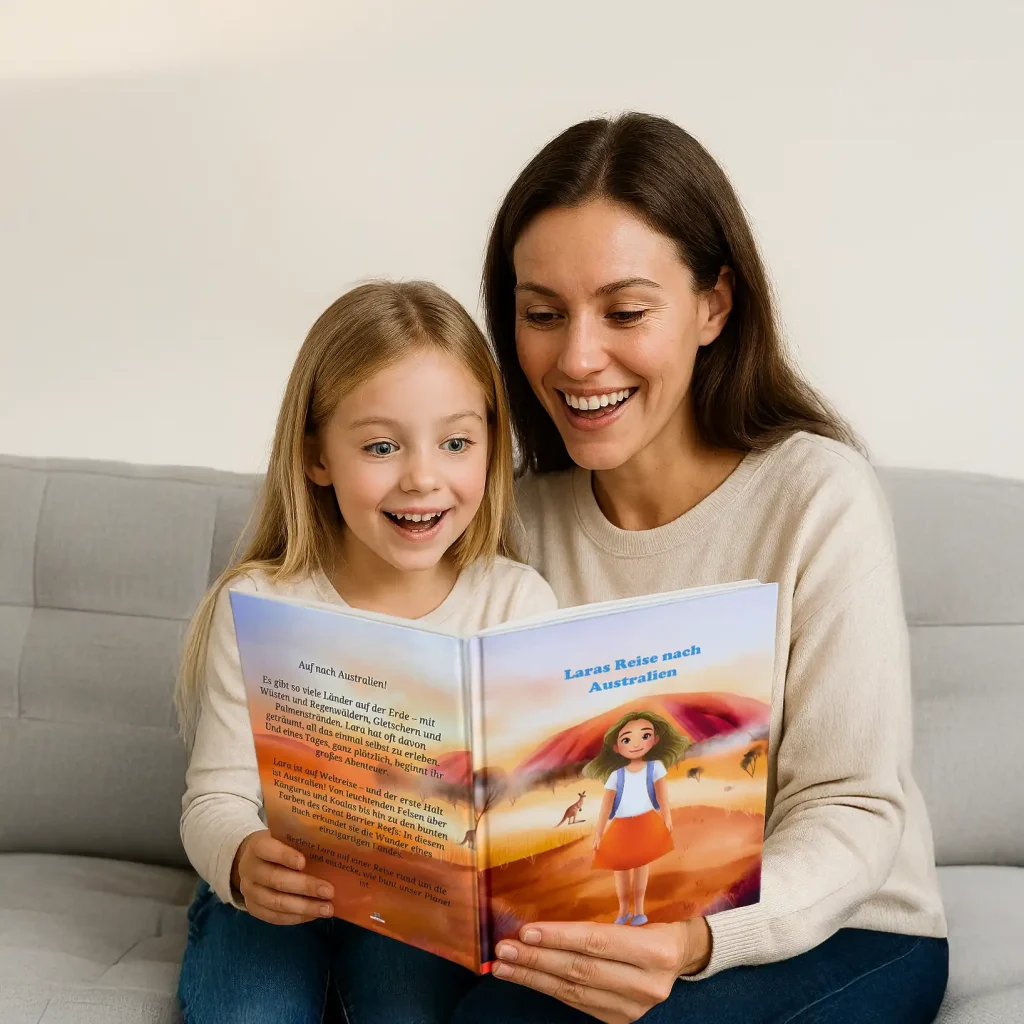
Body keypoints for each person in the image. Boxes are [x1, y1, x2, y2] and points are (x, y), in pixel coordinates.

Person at [446, 113, 950, 1023]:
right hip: (600, 920)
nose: (576, 358)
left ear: (715, 306)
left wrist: (697, 940)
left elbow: (852, 805)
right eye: (542, 314)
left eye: (626, 311)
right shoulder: (511, 517)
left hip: (846, 931)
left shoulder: (815, 496)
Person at [174, 280, 557, 1023]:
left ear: (490, 444)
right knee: (250, 1011)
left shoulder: (515, 602)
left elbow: (530, 814)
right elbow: (214, 800)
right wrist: (244, 863)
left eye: (456, 443)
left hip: (421, 909)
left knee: (407, 1006)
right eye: (382, 446)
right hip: (277, 888)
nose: (422, 477)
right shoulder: (260, 600)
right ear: (318, 457)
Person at [584, 711, 690, 927]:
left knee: (642, 868)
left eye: (645, 736)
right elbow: (605, 808)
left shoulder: (655, 767)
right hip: (621, 827)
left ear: (655, 740)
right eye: (626, 739)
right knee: (621, 870)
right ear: (616, 747)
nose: (636, 744)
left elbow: (662, 795)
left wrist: (667, 817)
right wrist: (598, 833)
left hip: (646, 823)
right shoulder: (616, 775)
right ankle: (623, 911)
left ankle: (639, 911)